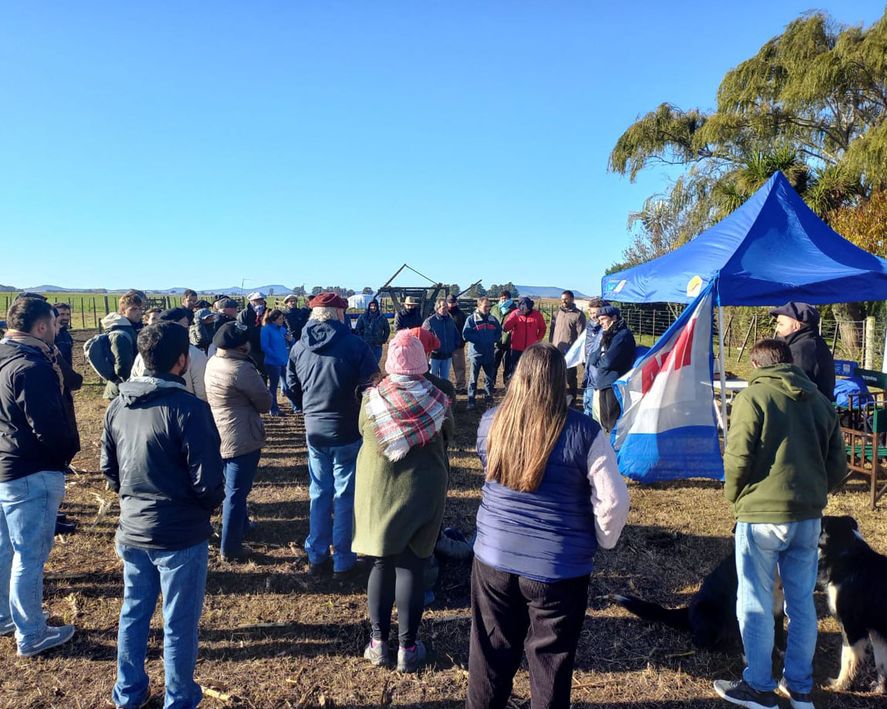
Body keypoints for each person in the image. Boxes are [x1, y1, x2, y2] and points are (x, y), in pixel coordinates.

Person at [467, 342, 629, 708]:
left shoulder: (491, 420)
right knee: (551, 663)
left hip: (492, 557)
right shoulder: (586, 433)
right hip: (557, 569)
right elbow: (613, 501)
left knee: (489, 654)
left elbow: (489, 469)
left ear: (518, 377)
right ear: (561, 381)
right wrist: (603, 540)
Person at [713, 339, 847, 709]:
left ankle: (758, 686)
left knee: (754, 600)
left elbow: (737, 457)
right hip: (807, 518)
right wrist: (815, 493)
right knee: (802, 602)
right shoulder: (821, 402)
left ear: (757, 366)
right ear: (789, 362)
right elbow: (838, 466)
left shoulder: (753, 398)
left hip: (760, 517)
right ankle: (800, 686)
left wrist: (735, 497)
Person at [102, 321, 225, 708]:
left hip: (133, 528)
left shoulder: (117, 406)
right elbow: (209, 481)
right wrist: (201, 511)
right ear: (183, 361)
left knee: (133, 612)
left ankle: (129, 692)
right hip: (180, 536)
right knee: (179, 622)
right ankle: (180, 697)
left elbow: (110, 469)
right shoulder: (190, 410)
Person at [353, 332, 454, 672]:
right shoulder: (439, 400)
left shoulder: (372, 401)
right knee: (412, 566)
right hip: (424, 491)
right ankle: (408, 650)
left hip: (380, 492)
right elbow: (449, 435)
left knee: (381, 564)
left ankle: (378, 644)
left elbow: (363, 431)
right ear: (423, 363)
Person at [0, 298, 80, 657]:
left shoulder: (5, 357)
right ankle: (31, 633)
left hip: (6, 464)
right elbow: (48, 426)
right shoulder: (31, 367)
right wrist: (61, 456)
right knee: (30, 555)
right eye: (55, 322)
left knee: (5, 548)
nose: (60, 326)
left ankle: (5, 615)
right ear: (41, 328)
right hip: (30, 470)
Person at [286, 292, 378, 577]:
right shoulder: (355, 345)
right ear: (339, 314)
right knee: (345, 494)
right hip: (347, 429)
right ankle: (343, 559)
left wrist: (307, 406)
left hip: (315, 430)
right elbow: (372, 385)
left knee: (319, 491)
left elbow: (290, 387)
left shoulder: (299, 347)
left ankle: (316, 554)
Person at [204, 321, 272, 562]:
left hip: (218, 432)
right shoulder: (241, 369)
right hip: (241, 435)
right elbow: (264, 403)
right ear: (241, 346)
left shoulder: (213, 362)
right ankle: (230, 546)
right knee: (236, 492)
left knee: (231, 487)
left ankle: (242, 525)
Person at [770, 302, 836, 402]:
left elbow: (795, 386)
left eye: (781, 324)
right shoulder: (809, 342)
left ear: (796, 326)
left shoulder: (802, 349)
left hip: (809, 410)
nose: (777, 328)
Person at [587, 305, 636, 433]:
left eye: (603, 319)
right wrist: (599, 360)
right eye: (599, 320)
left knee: (614, 422)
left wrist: (599, 363)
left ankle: (615, 450)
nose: (600, 322)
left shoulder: (622, 335)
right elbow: (593, 357)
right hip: (603, 382)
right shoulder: (608, 335)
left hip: (614, 384)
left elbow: (608, 361)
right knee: (605, 422)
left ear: (614, 318)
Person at [101, 293, 143, 399]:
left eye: (140, 309)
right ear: (123, 311)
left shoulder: (132, 328)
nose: (138, 312)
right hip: (122, 389)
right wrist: (131, 388)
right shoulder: (121, 334)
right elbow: (122, 367)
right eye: (133, 309)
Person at [462, 297, 502, 410]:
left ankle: (488, 399)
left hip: (489, 353)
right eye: (485, 306)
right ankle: (471, 401)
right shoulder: (471, 319)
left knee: (489, 378)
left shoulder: (492, 319)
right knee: (473, 379)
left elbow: (499, 332)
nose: (487, 308)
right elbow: (466, 334)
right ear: (478, 306)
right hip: (476, 354)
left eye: (489, 306)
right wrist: (479, 340)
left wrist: (493, 339)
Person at [549, 290, 587, 403]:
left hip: (570, 351)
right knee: (555, 374)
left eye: (566, 299)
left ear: (572, 299)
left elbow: (581, 335)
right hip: (556, 349)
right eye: (562, 299)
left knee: (570, 376)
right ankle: (557, 398)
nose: (563, 301)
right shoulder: (557, 314)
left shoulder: (578, 315)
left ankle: (573, 398)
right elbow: (552, 330)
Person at [260, 308, 298, 416]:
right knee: (273, 386)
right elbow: (265, 347)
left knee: (288, 384)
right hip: (272, 363)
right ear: (273, 319)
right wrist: (276, 357)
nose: (282, 321)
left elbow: (292, 342)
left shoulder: (282, 329)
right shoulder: (266, 329)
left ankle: (295, 406)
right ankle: (273, 408)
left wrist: (291, 340)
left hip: (284, 361)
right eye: (280, 319)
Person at [502, 296, 546, 384]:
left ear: (529, 307)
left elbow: (543, 328)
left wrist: (538, 339)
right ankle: (512, 387)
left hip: (531, 348)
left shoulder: (537, 315)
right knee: (514, 369)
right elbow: (506, 328)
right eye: (521, 306)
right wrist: (515, 316)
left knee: (531, 369)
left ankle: (529, 386)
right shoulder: (515, 313)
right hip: (516, 348)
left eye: (525, 307)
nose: (523, 309)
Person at [422, 298, 460, 382]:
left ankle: (443, 394)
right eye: (443, 307)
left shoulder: (450, 321)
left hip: (447, 355)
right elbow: (423, 337)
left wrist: (454, 346)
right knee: (432, 378)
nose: (446, 309)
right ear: (437, 308)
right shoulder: (429, 322)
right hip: (434, 356)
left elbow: (456, 334)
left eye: (447, 307)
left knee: (444, 380)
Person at [582, 298, 607, 422]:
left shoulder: (605, 331)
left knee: (594, 408)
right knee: (586, 404)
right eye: (591, 313)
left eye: (596, 314)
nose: (593, 316)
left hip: (598, 375)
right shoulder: (589, 328)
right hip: (589, 371)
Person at [237, 292, 267, 375]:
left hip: (265, 344)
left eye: (261, 300)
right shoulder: (244, 314)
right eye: (257, 300)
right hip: (250, 345)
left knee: (264, 369)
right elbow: (241, 329)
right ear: (251, 301)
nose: (260, 302)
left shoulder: (267, 312)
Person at [492, 291, 518, 385]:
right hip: (496, 342)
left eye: (505, 298)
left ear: (509, 299)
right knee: (493, 364)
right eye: (501, 297)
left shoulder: (514, 309)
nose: (503, 299)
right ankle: (491, 384)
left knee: (508, 366)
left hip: (509, 342)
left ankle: (507, 385)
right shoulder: (494, 308)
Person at [354, 299, 391, 364]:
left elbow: (387, 329)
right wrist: (362, 340)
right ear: (369, 306)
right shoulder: (363, 317)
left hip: (377, 345)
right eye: (371, 306)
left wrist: (383, 339)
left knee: (375, 364)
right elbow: (358, 329)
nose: (373, 307)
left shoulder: (382, 317)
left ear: (377, 306)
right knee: (365, 364)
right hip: (366, 345)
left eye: (374, 306)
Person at [446, 294, 468, 391]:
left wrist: (462, 341)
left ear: (456, 302)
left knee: (460, 367)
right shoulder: (443, 314)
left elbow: (465, 330)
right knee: (443, 368)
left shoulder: (461, 315)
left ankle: (461, 386)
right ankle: (443, 386)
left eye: (453, 302)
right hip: (445, 345)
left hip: (457, 345)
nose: (451, 305)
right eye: (449, 302)